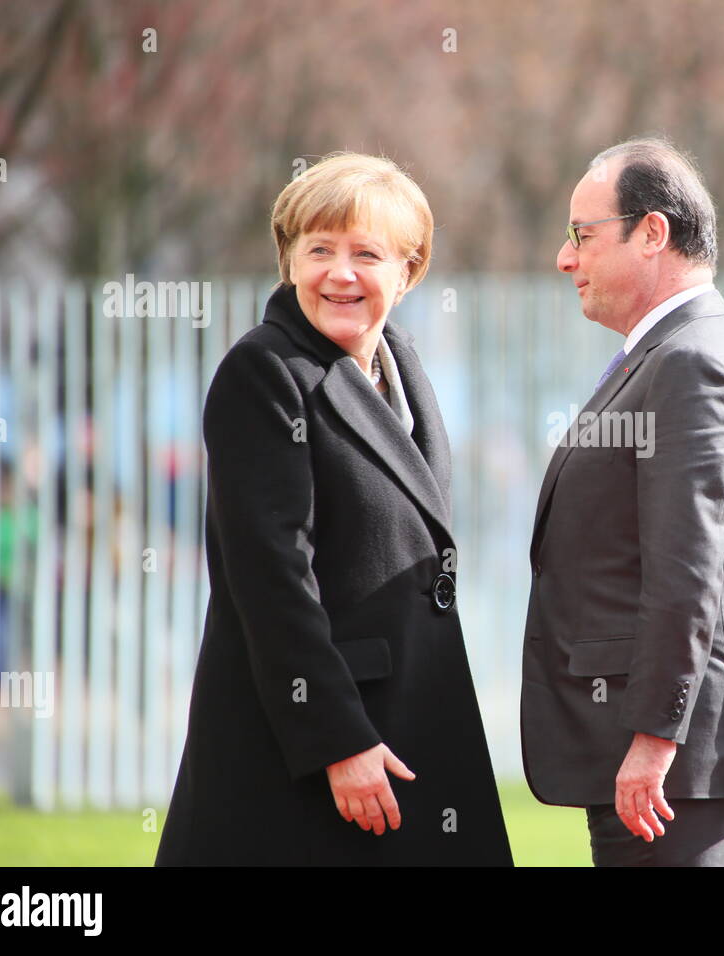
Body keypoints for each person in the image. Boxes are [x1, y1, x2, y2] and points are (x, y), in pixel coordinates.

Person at [156, 152, 512, 866]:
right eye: (318, 249)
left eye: (366, 254)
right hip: (317, 750)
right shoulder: (265, 373)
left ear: (408, 273)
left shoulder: (402, 367)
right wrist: (336, 739)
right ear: (288, 261)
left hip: (409, 724)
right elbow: (272, 580)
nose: (340, 273)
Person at [521, 137, 724, 867]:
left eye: (582, 235)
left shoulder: (690, 361)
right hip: (665, 760)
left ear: (652, 234)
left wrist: (654, 742)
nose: (565, 258)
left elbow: (686, 573)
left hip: (672, 767)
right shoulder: (676, 351)